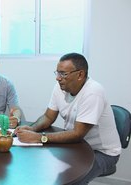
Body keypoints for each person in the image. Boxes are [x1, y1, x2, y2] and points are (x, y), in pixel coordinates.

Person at [14, 53, 121, 184]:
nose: (58, 78)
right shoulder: (60, 87)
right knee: (43, 169)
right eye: (57, 73)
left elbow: (77, 134)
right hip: (77, 146)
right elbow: (48, 116)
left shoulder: (93, 92)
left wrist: (39, 137)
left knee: (69, 179)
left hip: (102, 153)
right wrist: (32, 128)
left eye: (63, 74)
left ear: (80, 75)